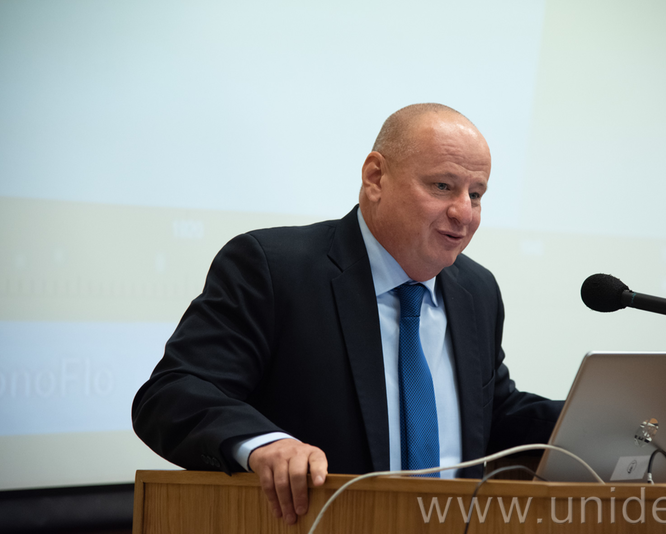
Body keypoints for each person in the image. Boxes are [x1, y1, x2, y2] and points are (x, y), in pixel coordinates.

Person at [132, 103, 562, 525]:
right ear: (375, 177)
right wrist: (266, 445)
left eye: (476, 194)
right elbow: (173, 394)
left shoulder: (476, 290)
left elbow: (492, 415)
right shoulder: (274, 269)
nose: (463, 212)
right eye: (442, 186)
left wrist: (593, 422)